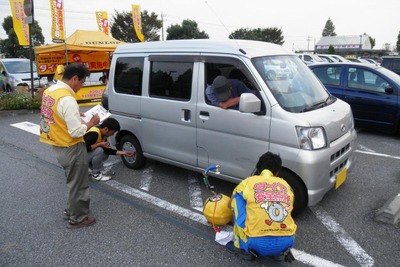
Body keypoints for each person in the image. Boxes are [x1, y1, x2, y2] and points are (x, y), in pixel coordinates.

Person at [39, 63, 100, 229]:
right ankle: (78, 218)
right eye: (82, 82)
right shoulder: (67, 99)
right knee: (79, 183)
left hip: (57, 144)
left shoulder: (50, 91)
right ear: (74, 79)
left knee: (73, 181)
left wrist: (74, 115)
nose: (81, 86)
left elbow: (52, 113)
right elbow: (76, 132)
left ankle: (71, 210)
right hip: (71, 146)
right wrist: (91, 124)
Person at [226, 152, 297, 262]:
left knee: (237, 199)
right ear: (277, 173)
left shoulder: (248, 182)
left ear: (258, 171)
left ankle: (241, 247)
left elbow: (229, 204)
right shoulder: (286, 185)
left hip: (256, 244)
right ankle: (279, 251)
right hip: (287, 243)